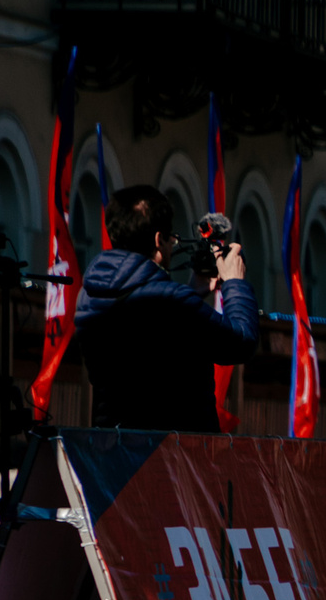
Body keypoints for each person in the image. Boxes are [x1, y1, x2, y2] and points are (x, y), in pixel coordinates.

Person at [75, 184, 260, 432]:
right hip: (174, 448)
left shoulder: (89, 295)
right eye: (171, 237)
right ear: (158, 240)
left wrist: (191, 293)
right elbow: (242, 342)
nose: (173, 243)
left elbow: (153, 343)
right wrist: (235, 282)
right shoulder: (170, 303)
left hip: (114, 443)